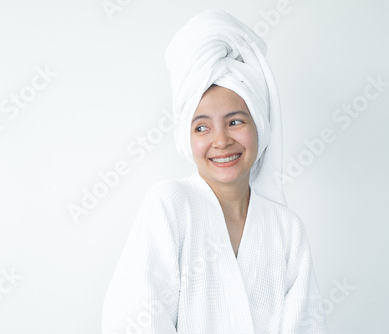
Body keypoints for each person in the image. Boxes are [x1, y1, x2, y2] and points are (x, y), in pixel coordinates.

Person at [102, 8, 328, 334]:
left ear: (260, 127)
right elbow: (136, 318)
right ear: (186, 137)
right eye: (202, 127)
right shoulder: (169, 204)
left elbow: (307, 326)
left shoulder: (286, 229)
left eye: (235, 121)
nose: (221, 140)